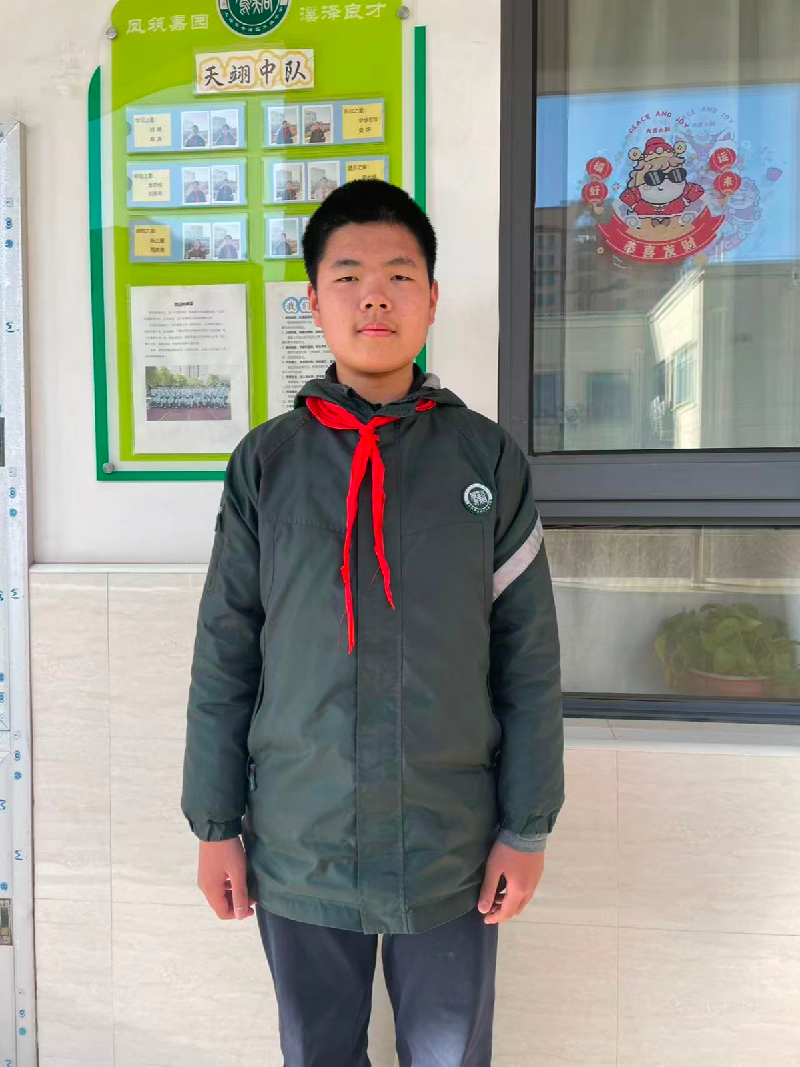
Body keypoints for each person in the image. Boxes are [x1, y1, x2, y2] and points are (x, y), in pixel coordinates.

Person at [182, 178, 565, 1067]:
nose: (375, 296)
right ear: (315, 302)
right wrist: (215, 823)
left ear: (432, 298)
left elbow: (530, 661)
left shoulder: (486, 460)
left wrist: (527, 827)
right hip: (300, 842)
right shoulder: (267, 465)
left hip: (450, 846)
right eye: (348, 276)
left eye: (399, 275)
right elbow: (225, 655)